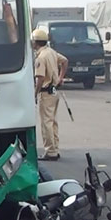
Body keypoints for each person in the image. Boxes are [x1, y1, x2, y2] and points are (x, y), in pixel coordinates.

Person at [32, 29, 68, 161]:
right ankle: (55, 148)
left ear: (35, 42)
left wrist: (35, 94)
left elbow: (40, 78)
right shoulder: (51, 52)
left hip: (45, 92)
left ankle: (50, 151)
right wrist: (60, 78)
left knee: (46, 123)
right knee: (53, 122)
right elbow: (65, 61)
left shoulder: (41, 58)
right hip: (54, 91)